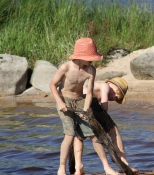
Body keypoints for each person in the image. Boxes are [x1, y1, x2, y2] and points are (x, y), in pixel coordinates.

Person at [50, 37, 118, 175]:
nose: (92, 61)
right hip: (64, 102)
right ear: (81, 56)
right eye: (90, 58)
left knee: (94, 134)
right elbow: (52, 85)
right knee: (69, 134)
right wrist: (60, 103)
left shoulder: (91, 70)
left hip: (81, 101)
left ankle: (107, 167)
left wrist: (87, 110)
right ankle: (61, 168)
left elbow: (89, 93)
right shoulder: (66, 67)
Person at [82, 77, 138, 172]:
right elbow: (104, 106)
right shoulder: (105, 86)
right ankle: (123, 163)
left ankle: (78, 166)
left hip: (80, 100)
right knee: (113, 131)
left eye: (116, 98)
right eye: (116, 91)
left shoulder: (97, 87)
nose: (114, 96)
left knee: (86, 136)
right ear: (109, 83)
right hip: (88, 100)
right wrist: (104, 120)